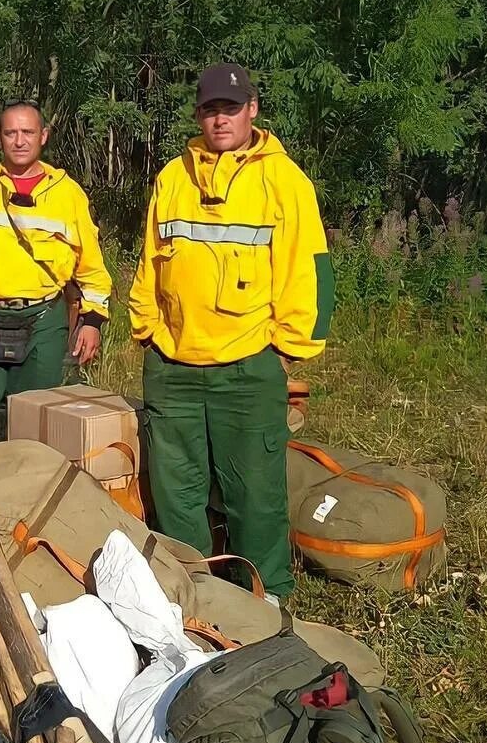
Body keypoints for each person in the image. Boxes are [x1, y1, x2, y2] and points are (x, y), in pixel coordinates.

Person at [127, 63, 335, 602]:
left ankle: (268, 605)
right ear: (199, 114)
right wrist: (146, 328)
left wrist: (289, 350)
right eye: (211, 109)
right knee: (177, 496)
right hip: (172, 368)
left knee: (255, 496)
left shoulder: (283, 180)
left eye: (231, 108)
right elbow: (151, 260)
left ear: (252, 110)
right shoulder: (174, 176)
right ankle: (193, 600)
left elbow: (308, 271)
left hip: (246, 367)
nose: (220, 119)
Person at [0, 101, 113, 454]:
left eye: (27, 132)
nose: (19, 141)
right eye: (10, 132)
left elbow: (91, 266)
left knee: (36, 429)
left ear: (43, 136)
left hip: (43, 321)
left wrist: (92, 320)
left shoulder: (67, 194)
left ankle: (25, 502)